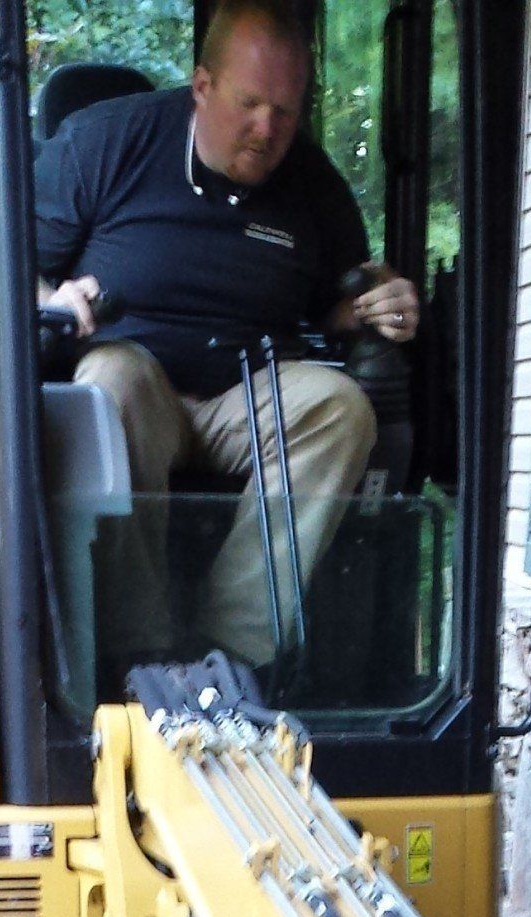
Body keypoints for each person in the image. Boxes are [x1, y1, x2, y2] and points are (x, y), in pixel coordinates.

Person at [35, 1, 421, 662]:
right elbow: (11, 269)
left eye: (285, 111)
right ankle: (141, 652)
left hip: (245, 393)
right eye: (249, 103)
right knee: (108, 382)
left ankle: (231, 652)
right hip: (136, 384)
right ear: (203, 86)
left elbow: (334, 304)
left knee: (341, 409)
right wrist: (57, 299)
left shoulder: (313, 185)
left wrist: (376, 305)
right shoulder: (104, 143)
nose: (267, 129)